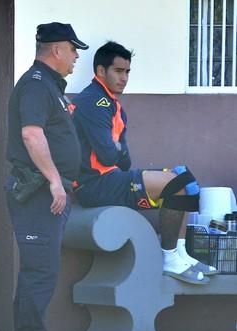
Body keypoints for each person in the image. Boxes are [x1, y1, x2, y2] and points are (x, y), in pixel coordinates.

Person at [72, 41, 217, 285]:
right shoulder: (93, 103)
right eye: (118, 71)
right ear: (100, 71)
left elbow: (124, 159)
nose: (124, 78)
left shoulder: (113, 106)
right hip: (94, 185)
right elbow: (109, 156)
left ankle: (179, 253)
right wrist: (115, 150)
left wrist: (115, 149)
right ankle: (168, 257)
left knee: (185, 178)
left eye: (127, 72)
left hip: (112, 178)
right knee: (177, 183)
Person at [6, 22, 88, 331]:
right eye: (73, 50)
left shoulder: (49, 85)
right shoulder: (37, 85)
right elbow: (30, 135)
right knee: (40, 271)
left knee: (40, 271)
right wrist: (55, 180)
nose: (75, 57)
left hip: (46, 193)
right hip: (39, 193)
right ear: (56, 50)